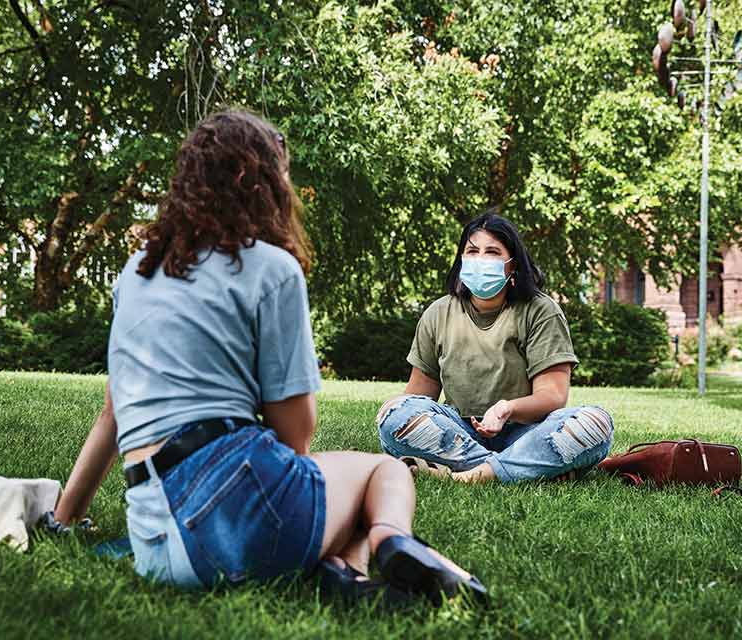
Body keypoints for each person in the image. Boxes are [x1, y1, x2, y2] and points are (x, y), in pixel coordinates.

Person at [51, 109, 486, 606]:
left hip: (158, 544)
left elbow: (113, 411)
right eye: (281, 174)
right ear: (252, 180)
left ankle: (347, 576)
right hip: (235, 516)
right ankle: (391, 542)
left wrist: (65, 517)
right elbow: (295, 435)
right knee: (380, 474)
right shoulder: (270, 268)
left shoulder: (136, 272)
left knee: (328, 497)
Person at [376, 212, 615, 484]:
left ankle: (470, 476)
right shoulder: (438, 313)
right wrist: (404, 423)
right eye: (472, 251)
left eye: (492, 252)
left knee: (594, 423)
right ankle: (525, 470)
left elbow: (552, 395)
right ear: (461, 259)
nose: (480, 259)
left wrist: (507, 409)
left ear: (513, 265)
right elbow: (419, 395)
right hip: (458, 435)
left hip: (526, 434)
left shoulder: (541, 311)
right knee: (394, 413)